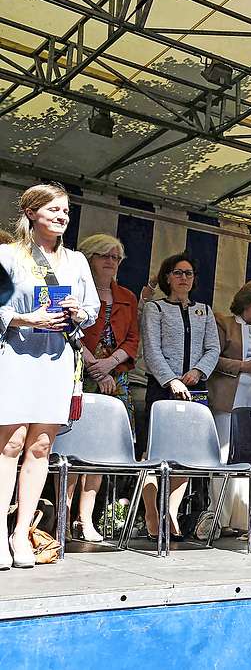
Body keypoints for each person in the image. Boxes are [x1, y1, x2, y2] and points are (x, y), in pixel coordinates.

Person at [0, 184, 99, 570]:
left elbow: (91, 310)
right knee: (10, 444)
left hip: (56, 359)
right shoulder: (9, 255)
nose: (62, 217)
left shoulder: (76, 262)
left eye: (66, 212)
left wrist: (78, 310)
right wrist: (24, 317)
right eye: (54, 210)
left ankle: (21, 532)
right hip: (16, 356)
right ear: (31, 213)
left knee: (41, 446)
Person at [139, 252, 220, 540]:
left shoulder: (205, 311)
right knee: (154, 454)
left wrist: (197, 372)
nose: (184, 278)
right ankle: (151, 513)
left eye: (189, 273)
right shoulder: (155, 308)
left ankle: (170, 514)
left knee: (184, 456)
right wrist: (171, 379)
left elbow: (213, 348)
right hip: (162, 388)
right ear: (167, 277)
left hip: (194, 389)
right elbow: (151, 348)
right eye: (178, 272)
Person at [73, 233, 139, 543]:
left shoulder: (127, 295)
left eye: (116, 257)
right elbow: (67, 329)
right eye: (104, 256)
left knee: (100, 450)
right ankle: (62, 515)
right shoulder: (77, 291)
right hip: (78, 373)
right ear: (89, 258)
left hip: (115, 376)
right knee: (73, 448)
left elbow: (133, 340)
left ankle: (86, 518)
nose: (111, 262)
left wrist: (109, 364)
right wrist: (93, 366)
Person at [207, 280, 251, 534]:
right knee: (224, 457)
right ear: (247, 301)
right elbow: (212, 358)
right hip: (228, 401)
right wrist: (243, 367)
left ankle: (244, 521)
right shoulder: (224, 323)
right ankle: (220, 519)